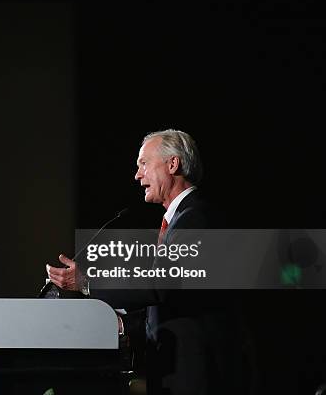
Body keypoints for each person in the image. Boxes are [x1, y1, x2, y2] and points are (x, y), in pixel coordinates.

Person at [46, 129, 244, 395]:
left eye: (144, 164)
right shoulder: (181, 220)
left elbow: (159, 285)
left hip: (197, 373)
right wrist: (123, 323)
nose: (137, 175)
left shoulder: (196, 218)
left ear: (173, 164)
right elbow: (177, 300)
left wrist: (86, 283)